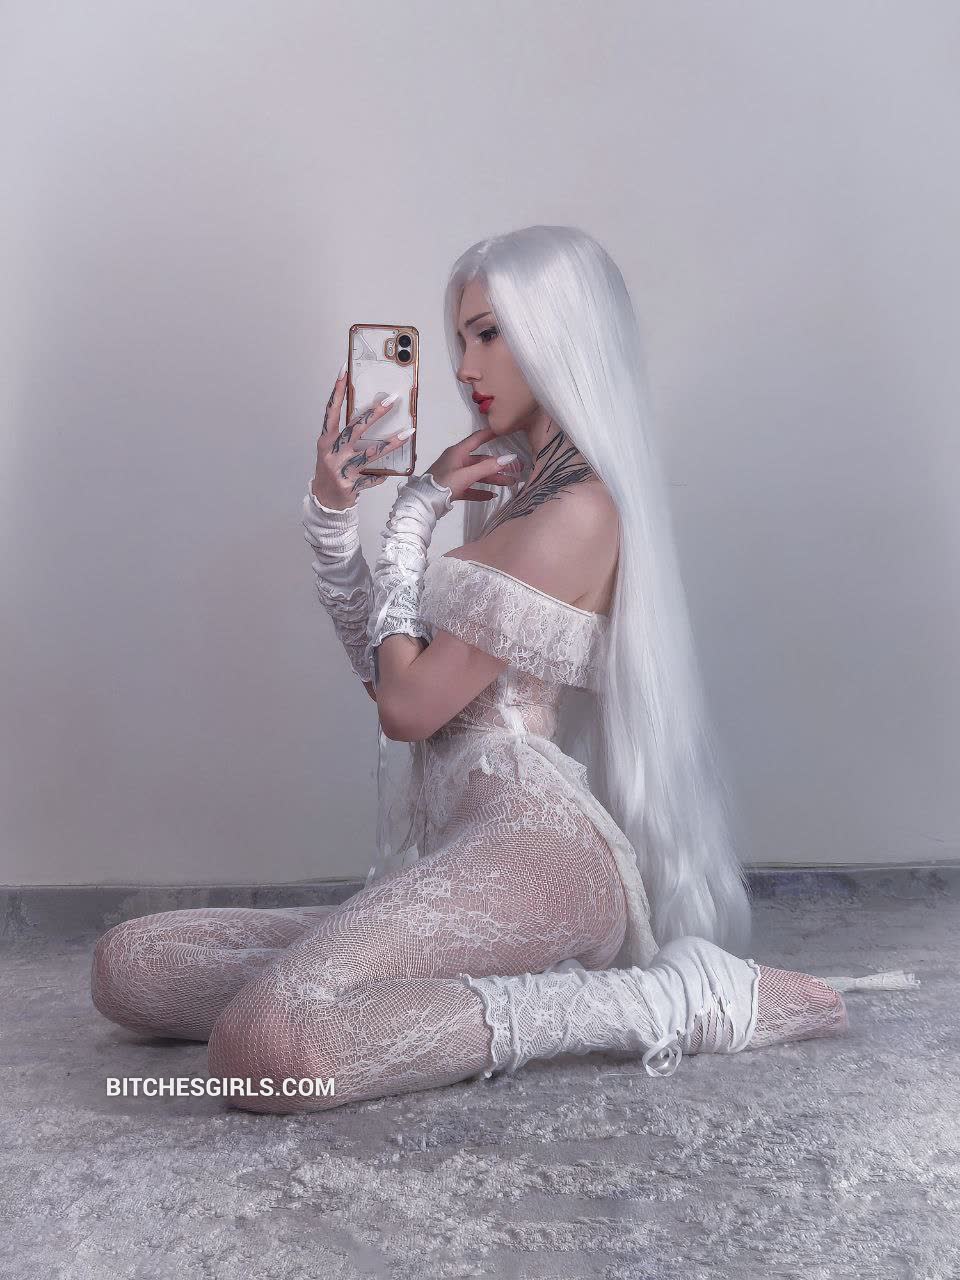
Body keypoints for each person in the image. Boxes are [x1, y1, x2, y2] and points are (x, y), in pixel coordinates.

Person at [91, 226, 915, 1113]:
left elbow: (406, 710)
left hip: (540, 854)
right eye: (459, 338)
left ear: (559, 334)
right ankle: (452, 984)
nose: (464, 365)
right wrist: (331, 518)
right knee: (131, 965)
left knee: (270, 1046)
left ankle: (661, 1001)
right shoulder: (517, 495)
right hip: (463, 851)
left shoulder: (581, 510)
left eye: (489, 333)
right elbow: (394, 681)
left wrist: (414, 513)